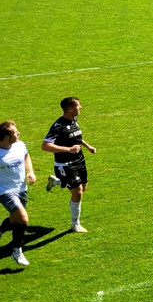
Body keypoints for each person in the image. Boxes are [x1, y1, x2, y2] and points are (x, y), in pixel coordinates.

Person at [42, 97, 96, 233]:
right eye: (78, 106)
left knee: (83, 188)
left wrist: (88, 146)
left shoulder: (73, 120)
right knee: (77, 192)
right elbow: (45, 146)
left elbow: (74, 136)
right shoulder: (58, 126)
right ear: (71, 109)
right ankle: (75, 224)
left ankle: (56, 181)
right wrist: (68, 149)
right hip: (65, 164)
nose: (81, 107)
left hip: (80, 161)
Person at [1, 121, 37, 266]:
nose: (19, 134)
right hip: (4, 191)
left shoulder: (19, 145)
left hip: (21, 188)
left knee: (15, 220)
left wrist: (30, 171)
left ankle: (1, 229)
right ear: (6, 136)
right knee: (23, 218)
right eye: (15, 132)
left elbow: (26, 156)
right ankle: (17, 252)